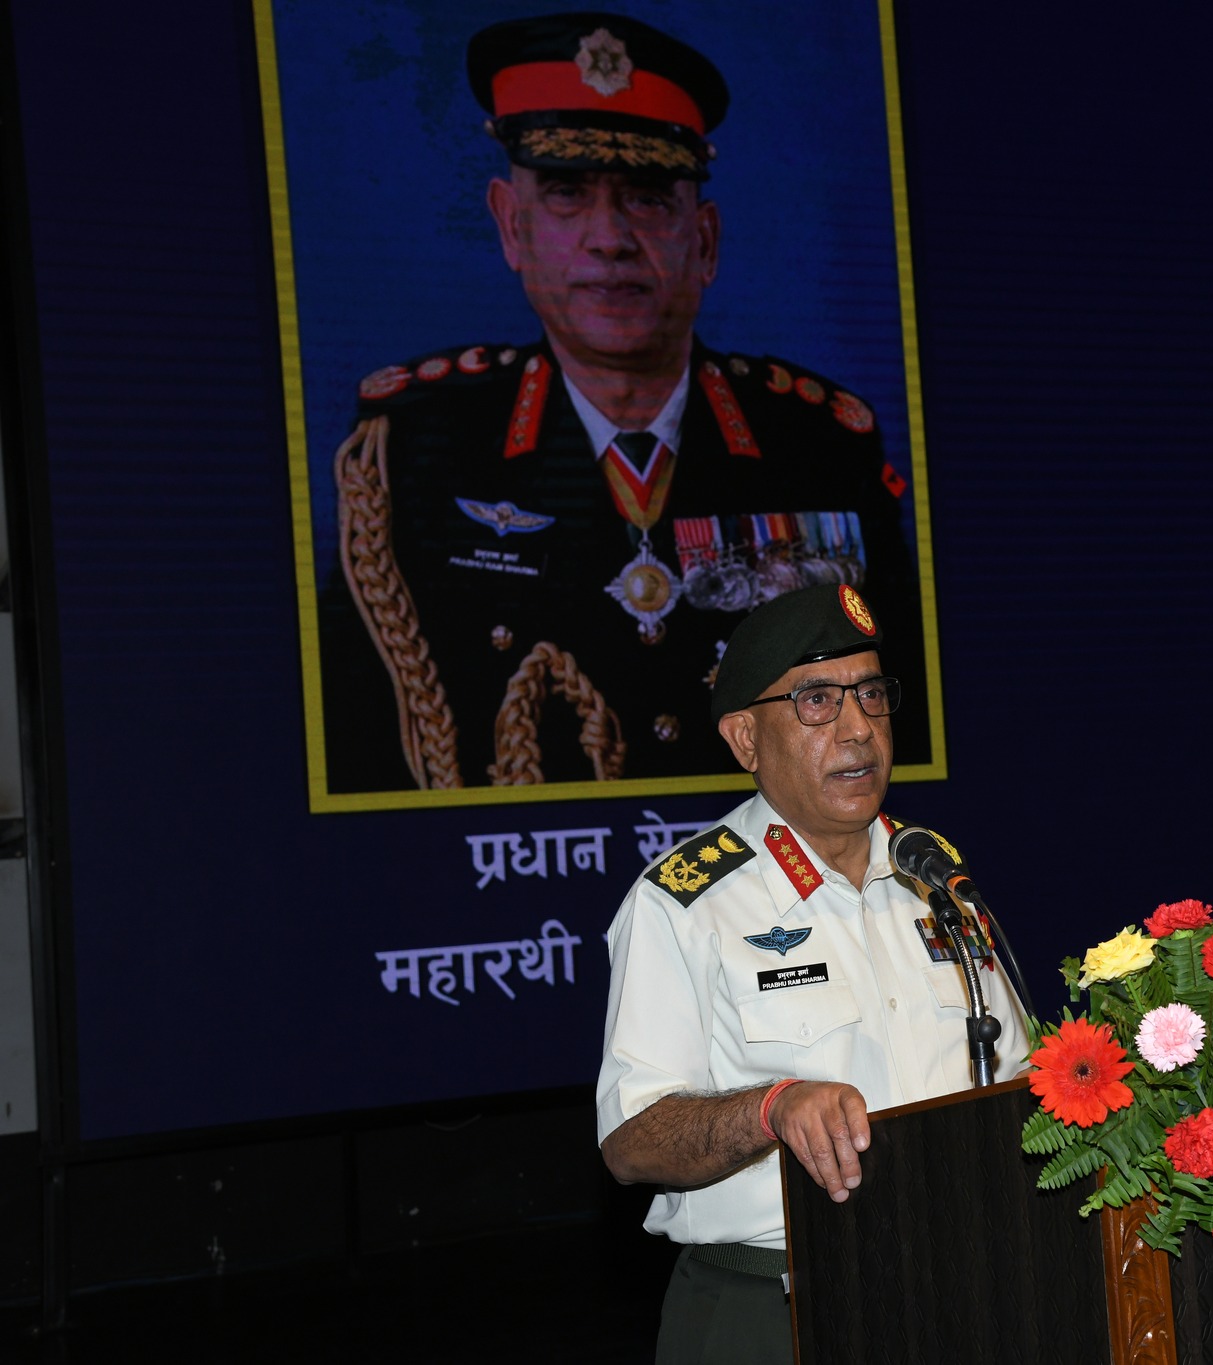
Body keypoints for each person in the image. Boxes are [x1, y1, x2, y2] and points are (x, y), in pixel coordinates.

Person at [317, 11, 926, 794]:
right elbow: (358, 754)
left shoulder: (817, 447)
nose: (609, 238)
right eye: (567, 194)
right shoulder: (419, 451)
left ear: (704, 241)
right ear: (511, 227)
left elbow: (907, 732)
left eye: (646, 197)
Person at [595, 583, 1023, 1364]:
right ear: (745, 739)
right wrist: (770, 1108)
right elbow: (631, 1139)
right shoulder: (684, 904)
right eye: (818, 700)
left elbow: (1019, 1078)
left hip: (959, 1285)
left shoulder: (933, 874)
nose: (858, 728)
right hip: (770, 1307)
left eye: (871, 693)